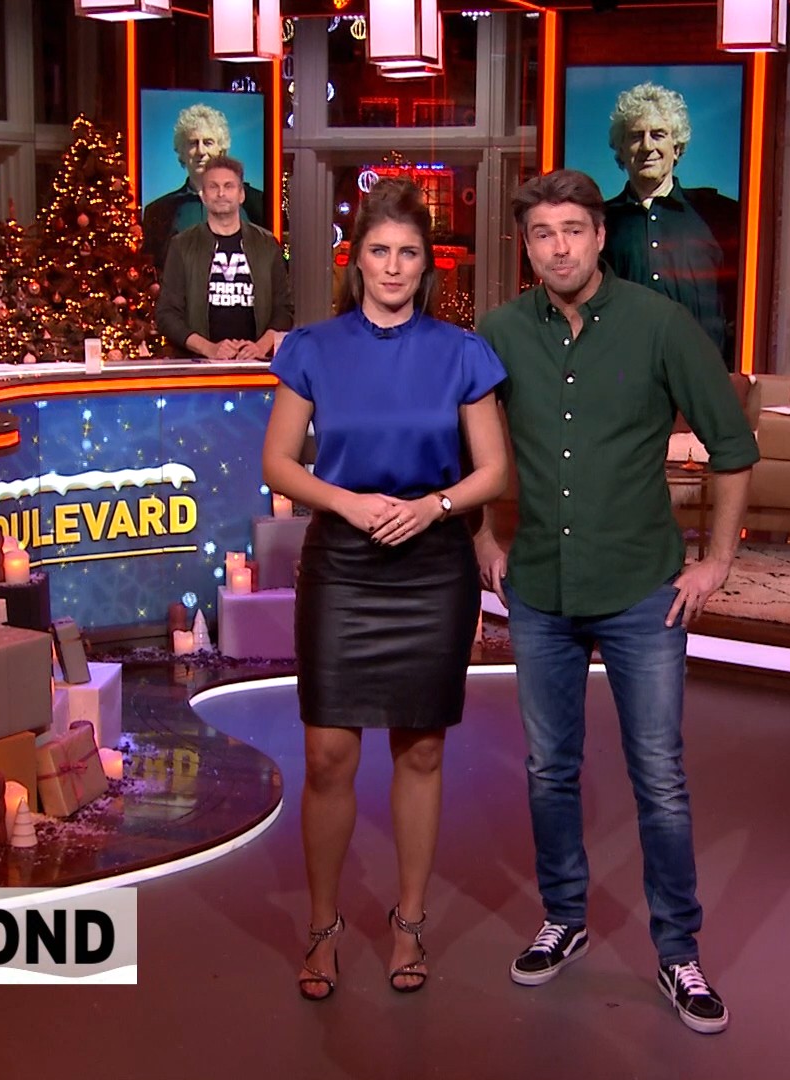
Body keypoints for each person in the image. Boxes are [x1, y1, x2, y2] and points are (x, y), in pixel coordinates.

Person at [474, 169, 756, 1035]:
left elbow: (733, 445)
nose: (557, 247)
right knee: (548, 769)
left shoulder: (660, 324)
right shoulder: (499, 333)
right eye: (541, 234)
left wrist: (716, 562)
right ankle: (564, 917)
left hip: (641, 591)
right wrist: (484, 539)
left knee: (659, 777)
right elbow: (473, 447)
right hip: (541, 591)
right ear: (526, 248)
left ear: (600, 236)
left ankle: (679, 952)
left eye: (572, 230)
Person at [261, 178, 509, 1001]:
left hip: (432, 564)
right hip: (344, 562)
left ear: (426, 263)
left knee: (422, 748)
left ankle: (409, 922)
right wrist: (348, 503)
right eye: (379, 250)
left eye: (408, 252)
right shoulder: (312, 348)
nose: (394, 266)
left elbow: (494, 471)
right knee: (328, 754)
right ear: (356, 260)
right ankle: (323, 928)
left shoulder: (462, 353)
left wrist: (434, 506)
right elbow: (279, 463)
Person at [600, 82, 741, 364]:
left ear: (676, 148)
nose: (647, 146)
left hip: (700, 376)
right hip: (624, 376)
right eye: (636, 136)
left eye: (658, 134)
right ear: (621, 149)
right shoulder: (599, 222)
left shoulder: (719, 215)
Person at [156, 155, 293, 361]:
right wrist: (209, 349)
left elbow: (284, 309)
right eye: (213, 187)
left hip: (255, 364)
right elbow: (167, 315)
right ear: (203, 196)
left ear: (241, 194)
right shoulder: (182, 245)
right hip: (200, 365)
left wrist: (260, 347)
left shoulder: (266, 245)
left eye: (229, 186)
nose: (221, 193)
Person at [140, 103, 267, 268]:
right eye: (193, 143)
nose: (200, 151)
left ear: (221, 150)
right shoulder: (158, 211)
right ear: (181, 152)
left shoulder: (256, 202)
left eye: (208, 142)